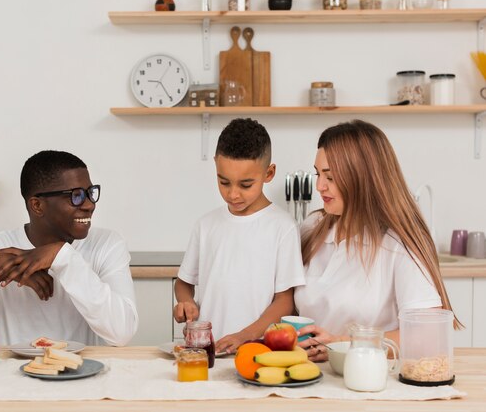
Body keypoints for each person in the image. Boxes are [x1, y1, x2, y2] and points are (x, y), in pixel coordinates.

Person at [0, 150, 138, 346]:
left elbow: (122, 332)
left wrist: (62, 256)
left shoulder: (107, 244)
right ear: (37, 205)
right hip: (12, 382)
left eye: (90, 192)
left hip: (85, 379)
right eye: (76, 195)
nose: (90, 204)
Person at [294, 120, 460, 362]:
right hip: (308, 378)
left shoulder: (398, 245)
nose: (319, 186)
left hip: (372, 383)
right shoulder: (312, 228)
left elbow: (429, 338)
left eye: (330, 177)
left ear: (363, 179)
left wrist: (343, 344)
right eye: (318, 174)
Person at [174, 118, 306, 354]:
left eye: (246, 185)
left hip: (259, 352)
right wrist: (186, 303)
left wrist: (245, 335)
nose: (233, 194)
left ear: (269, 173)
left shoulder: (283, 227)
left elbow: (285, 301)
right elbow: (184, 283)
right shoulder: (206, 225)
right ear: (215, 165)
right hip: (207, 350)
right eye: (224, 182)